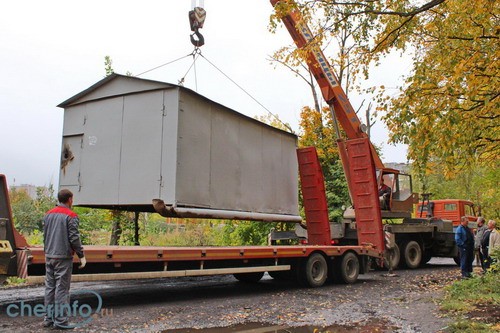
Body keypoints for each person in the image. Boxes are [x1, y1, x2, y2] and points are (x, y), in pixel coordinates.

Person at [43, 189, 86, 329]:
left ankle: (48, 319)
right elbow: (74, 237)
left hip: (49, 255)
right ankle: (61, 322)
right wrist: (81, 254)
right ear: (69, 199)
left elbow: (46, 236)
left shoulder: (48, 214)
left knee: (50, 287)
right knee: (62, 289)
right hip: (63, 257)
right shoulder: (71, 215)